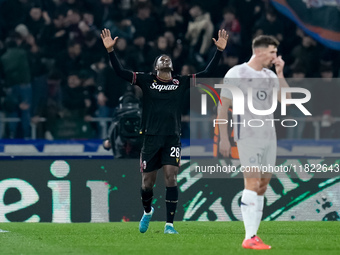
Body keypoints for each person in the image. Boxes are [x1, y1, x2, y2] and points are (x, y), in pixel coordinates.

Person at [101, 28, 228, 234]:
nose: (165, 59)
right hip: (150, 137)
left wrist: (219, 52)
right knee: (147, 183)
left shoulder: (181, 81)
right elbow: (120, 72)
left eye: (168, 58)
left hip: (171, 137)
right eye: (161, 59)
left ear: (172, 66)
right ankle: (148, 211)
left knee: (171, 176)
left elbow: (207, 74)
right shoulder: (146, 80)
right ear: (156, 67)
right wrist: (110, 52)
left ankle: (169, 225)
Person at [218, 35, 290, 249]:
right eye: (272, 52)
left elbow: (285, 100)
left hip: (269, 136)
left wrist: (280, 73)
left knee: (262, 186)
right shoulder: (236, 73)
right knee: (251, 182)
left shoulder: (269, 75)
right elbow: (223, 106)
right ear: (258, 52)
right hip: (246, 135)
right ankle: (249, 237)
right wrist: (224, 137)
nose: (274, 56)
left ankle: (254, 235)